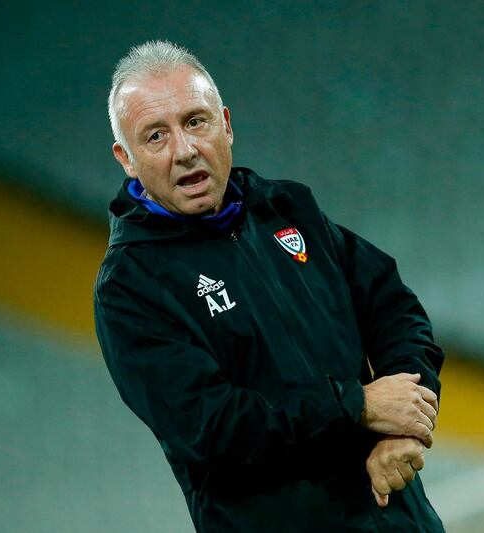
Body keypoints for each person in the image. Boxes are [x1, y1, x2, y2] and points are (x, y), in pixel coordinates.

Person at [94, 40, 446, 532]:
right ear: (126, 159)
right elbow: (212, 428)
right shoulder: (130, 289)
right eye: (156, 136)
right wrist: (357, 407)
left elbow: (395, 309)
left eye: (196, 121)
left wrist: (408, 426)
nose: (185, 149)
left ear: (227, 124)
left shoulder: (287, 208)